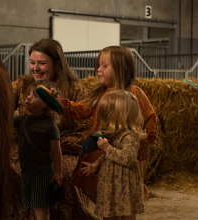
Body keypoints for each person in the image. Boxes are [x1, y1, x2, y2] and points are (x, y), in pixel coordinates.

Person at [58, 45, 158, 203]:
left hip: (123, 150)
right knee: (90, 186)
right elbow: (80, 110)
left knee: (122, 192)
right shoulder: (99, 94)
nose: (98, 69)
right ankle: (108, 211)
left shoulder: (134, 92)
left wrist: (146, 141)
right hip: (100, 149)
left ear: (121, 68)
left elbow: (149, 117)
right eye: (98, 65)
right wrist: (60, 103)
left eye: (104, 66)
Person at [10, 38, 95, 219]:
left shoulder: (75, 89)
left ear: (57, 64)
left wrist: (50, 147)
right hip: (24, 148)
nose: (35, 68)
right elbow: (1, 105)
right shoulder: (23, 84)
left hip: (63, 149)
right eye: (32, 63)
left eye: (42, 63)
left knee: (64, 172)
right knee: (9, 168)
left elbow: (84, 130)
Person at [81, 90, 146, 219]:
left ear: (117, 117)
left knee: (127, 215)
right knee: (109, 214)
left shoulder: (130, 137)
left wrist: (106, 147)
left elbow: (127, 158)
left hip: (125, 186)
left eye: (105, 116)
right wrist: (96, 164)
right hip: (112, 185)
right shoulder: (115, 135)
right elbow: (109, 156)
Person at [13, 80, 63, 220]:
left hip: (42, 173)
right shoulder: (22, 119)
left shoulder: (49, 126)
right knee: (33, 204)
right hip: (26, 171)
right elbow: (5, 120)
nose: (28, 97)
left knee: (41, 206)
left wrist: (58, 172)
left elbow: (56, 151)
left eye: (34, 96)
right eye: (28, 94)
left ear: (46, 105)